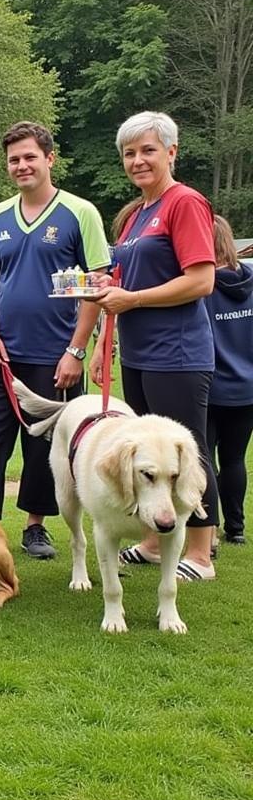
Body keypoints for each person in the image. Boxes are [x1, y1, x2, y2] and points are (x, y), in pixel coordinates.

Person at [0, 121, 109, 559]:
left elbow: (96, 285)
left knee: (48, 445)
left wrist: (76, 349)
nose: (21, 165)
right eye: (14, 159)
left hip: (56, 355)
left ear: (49, 159)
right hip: (1, 354)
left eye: (30, 156)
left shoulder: (80, 212)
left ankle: (36, 526)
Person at [91, 111, 219, 580]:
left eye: (148, 150)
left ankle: (202, 552)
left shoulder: (184, 202)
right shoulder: (137, 214)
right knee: (151, 455)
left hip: (178, 354)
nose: (138, 160)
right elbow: (124, 283)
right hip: (141, 354)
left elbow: (201, 280)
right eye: (129, 153)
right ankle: (152, 540)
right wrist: (108, 333)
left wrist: (133, 298)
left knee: (187, 454)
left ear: (171, 152)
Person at [206, 216, 252, 544]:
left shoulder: (202, 288)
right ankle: (236, 529)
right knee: (235, 458)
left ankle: (207, 530)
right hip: (248, 389)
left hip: (210, 388)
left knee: (204, 458)